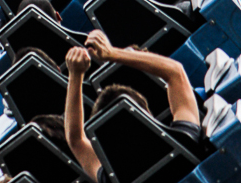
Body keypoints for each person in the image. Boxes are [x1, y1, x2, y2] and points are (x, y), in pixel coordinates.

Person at [64, 30, 201, 183]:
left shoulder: (111, 179)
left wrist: (75, 75)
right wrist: (111, 53)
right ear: (147, 112)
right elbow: (176, 72)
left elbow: (75, 139)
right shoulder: (183, 139)